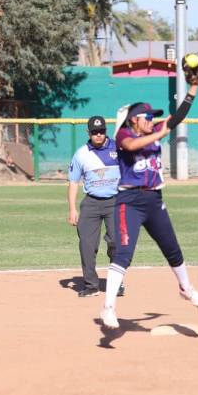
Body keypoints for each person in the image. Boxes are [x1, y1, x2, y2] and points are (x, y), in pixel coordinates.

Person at [99, 82, 198, 329]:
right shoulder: (123, 135)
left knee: (172, 249)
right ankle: (108, 307)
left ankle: (186, 288)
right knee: (123, 255)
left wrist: (193, 90)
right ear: (134, 120)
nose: (152, 120)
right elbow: (131, 147)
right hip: (129, 202)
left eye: (153, 118)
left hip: (154, 200)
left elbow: (177, 117)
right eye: (148, 117)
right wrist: (159, 132)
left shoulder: (154, 129)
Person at [67, 115, 124, 297]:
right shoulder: (81, 154)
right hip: (91, 203)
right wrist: (72, 208)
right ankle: (91, 285)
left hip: (115, 201)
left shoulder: (119, 148)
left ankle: (116, 282)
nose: (98, 135)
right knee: (87, 245)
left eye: (101, 131)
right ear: (88, 132)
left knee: (116, 242)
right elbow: (73, 182)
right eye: (95, 132)